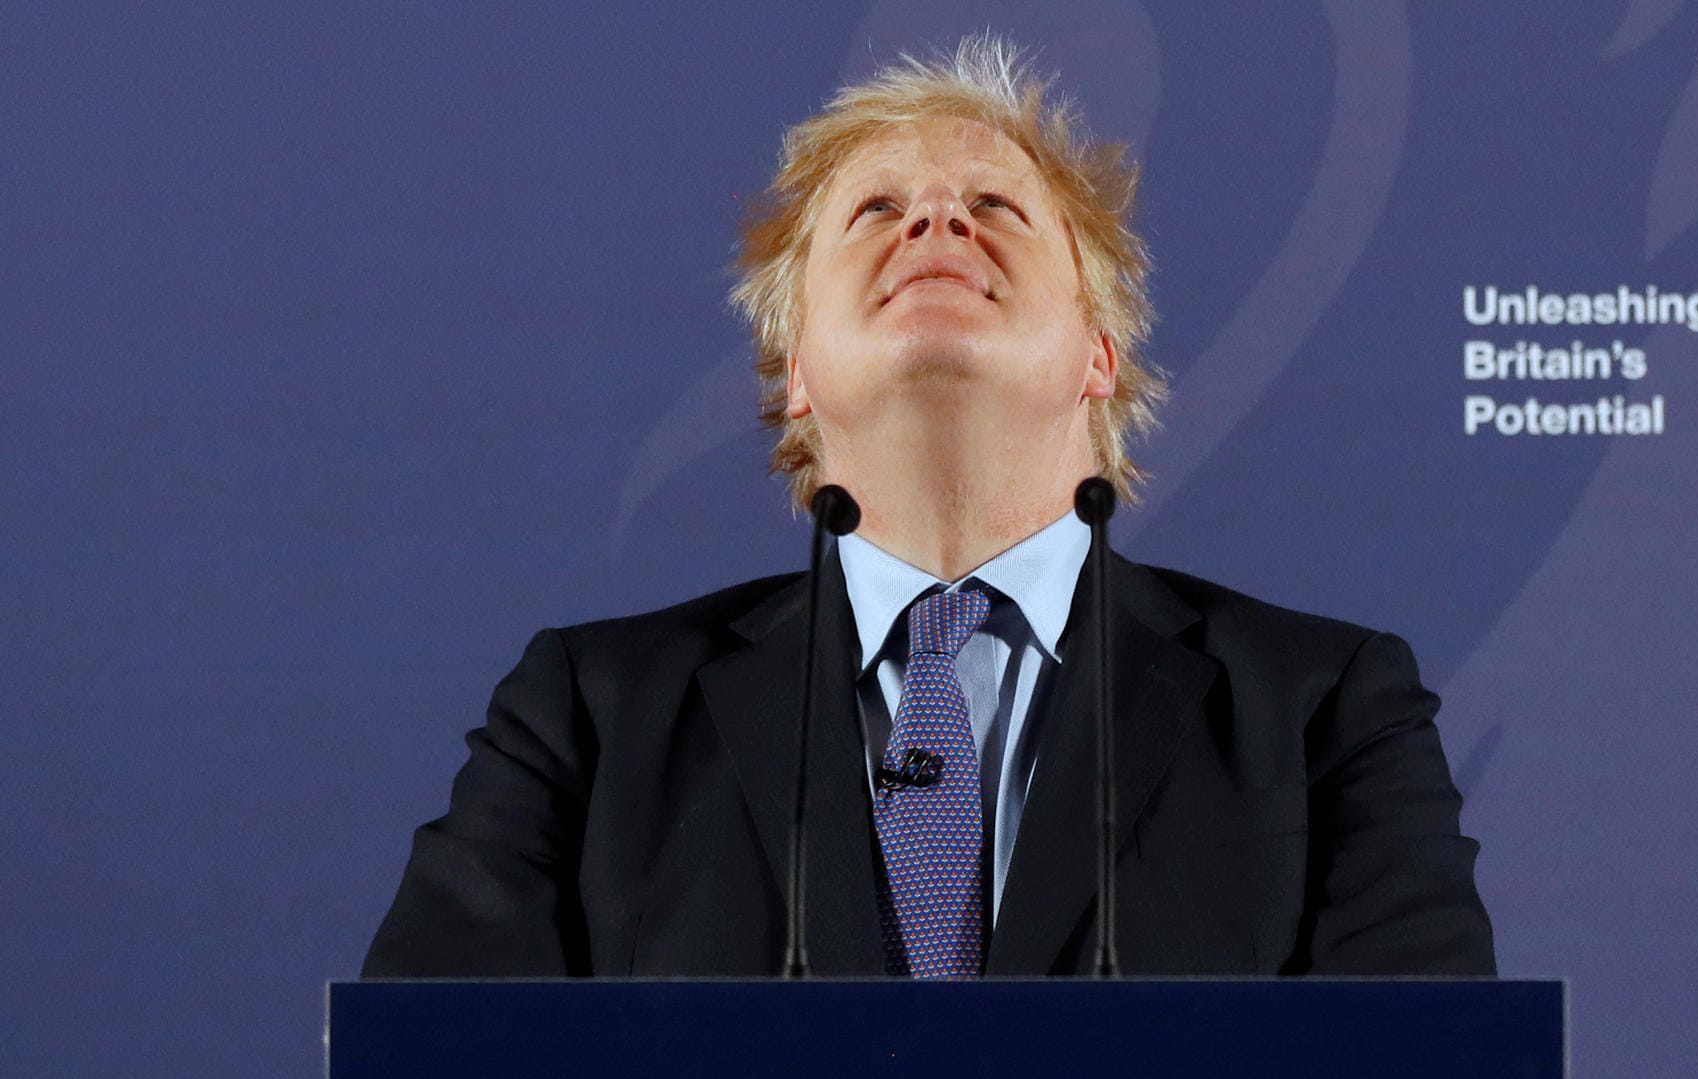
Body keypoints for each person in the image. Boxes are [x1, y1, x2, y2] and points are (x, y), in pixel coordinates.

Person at [364, 34, 1494, 978]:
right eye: (878, 211)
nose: (937, 224)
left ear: (1100, 352)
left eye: (994, 204)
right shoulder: (589, 720)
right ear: (794, 366)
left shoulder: (1326, 715)